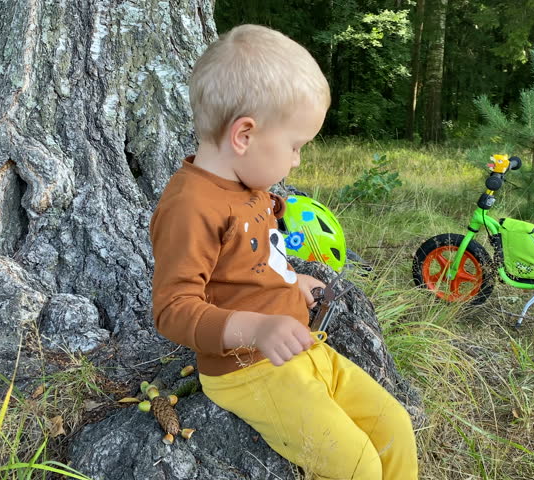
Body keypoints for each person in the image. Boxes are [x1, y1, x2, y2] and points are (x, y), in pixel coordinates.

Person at [149, 24, 418, 479]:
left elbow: (255, 261)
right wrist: (258, 328)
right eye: (295, 146)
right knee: (358, 466)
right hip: (249, 373)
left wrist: (292, 281)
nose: (296, 160)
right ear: (244, 136)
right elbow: (173, 310)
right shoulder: (190, 207)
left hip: (300, 347)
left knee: (395, 426)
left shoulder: (249, 185)